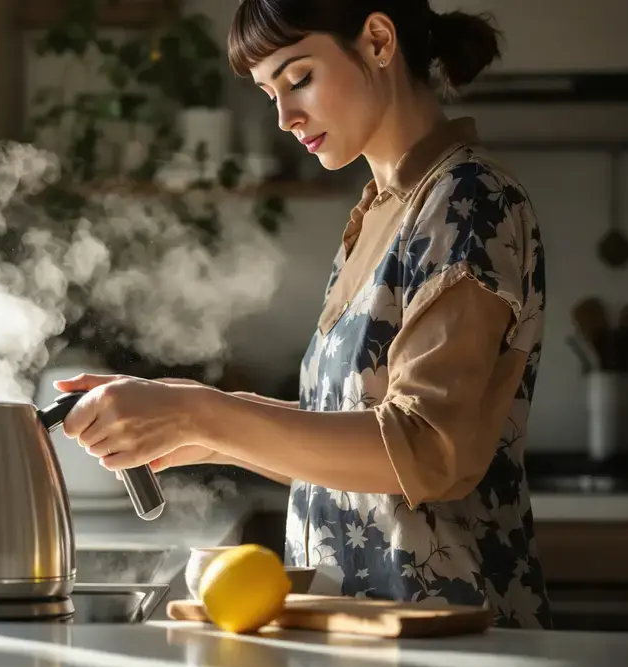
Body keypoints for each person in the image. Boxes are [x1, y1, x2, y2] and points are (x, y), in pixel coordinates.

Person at [55, 0, 551, 629]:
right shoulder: (382, 211)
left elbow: (427, 449)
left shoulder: (468, 200)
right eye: (271, 94)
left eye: (299, 78)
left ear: (377, 41)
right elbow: (347, 432)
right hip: (365, 634)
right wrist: (193, 423)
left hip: (452, 638)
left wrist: (198, 412)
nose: (285, 118)